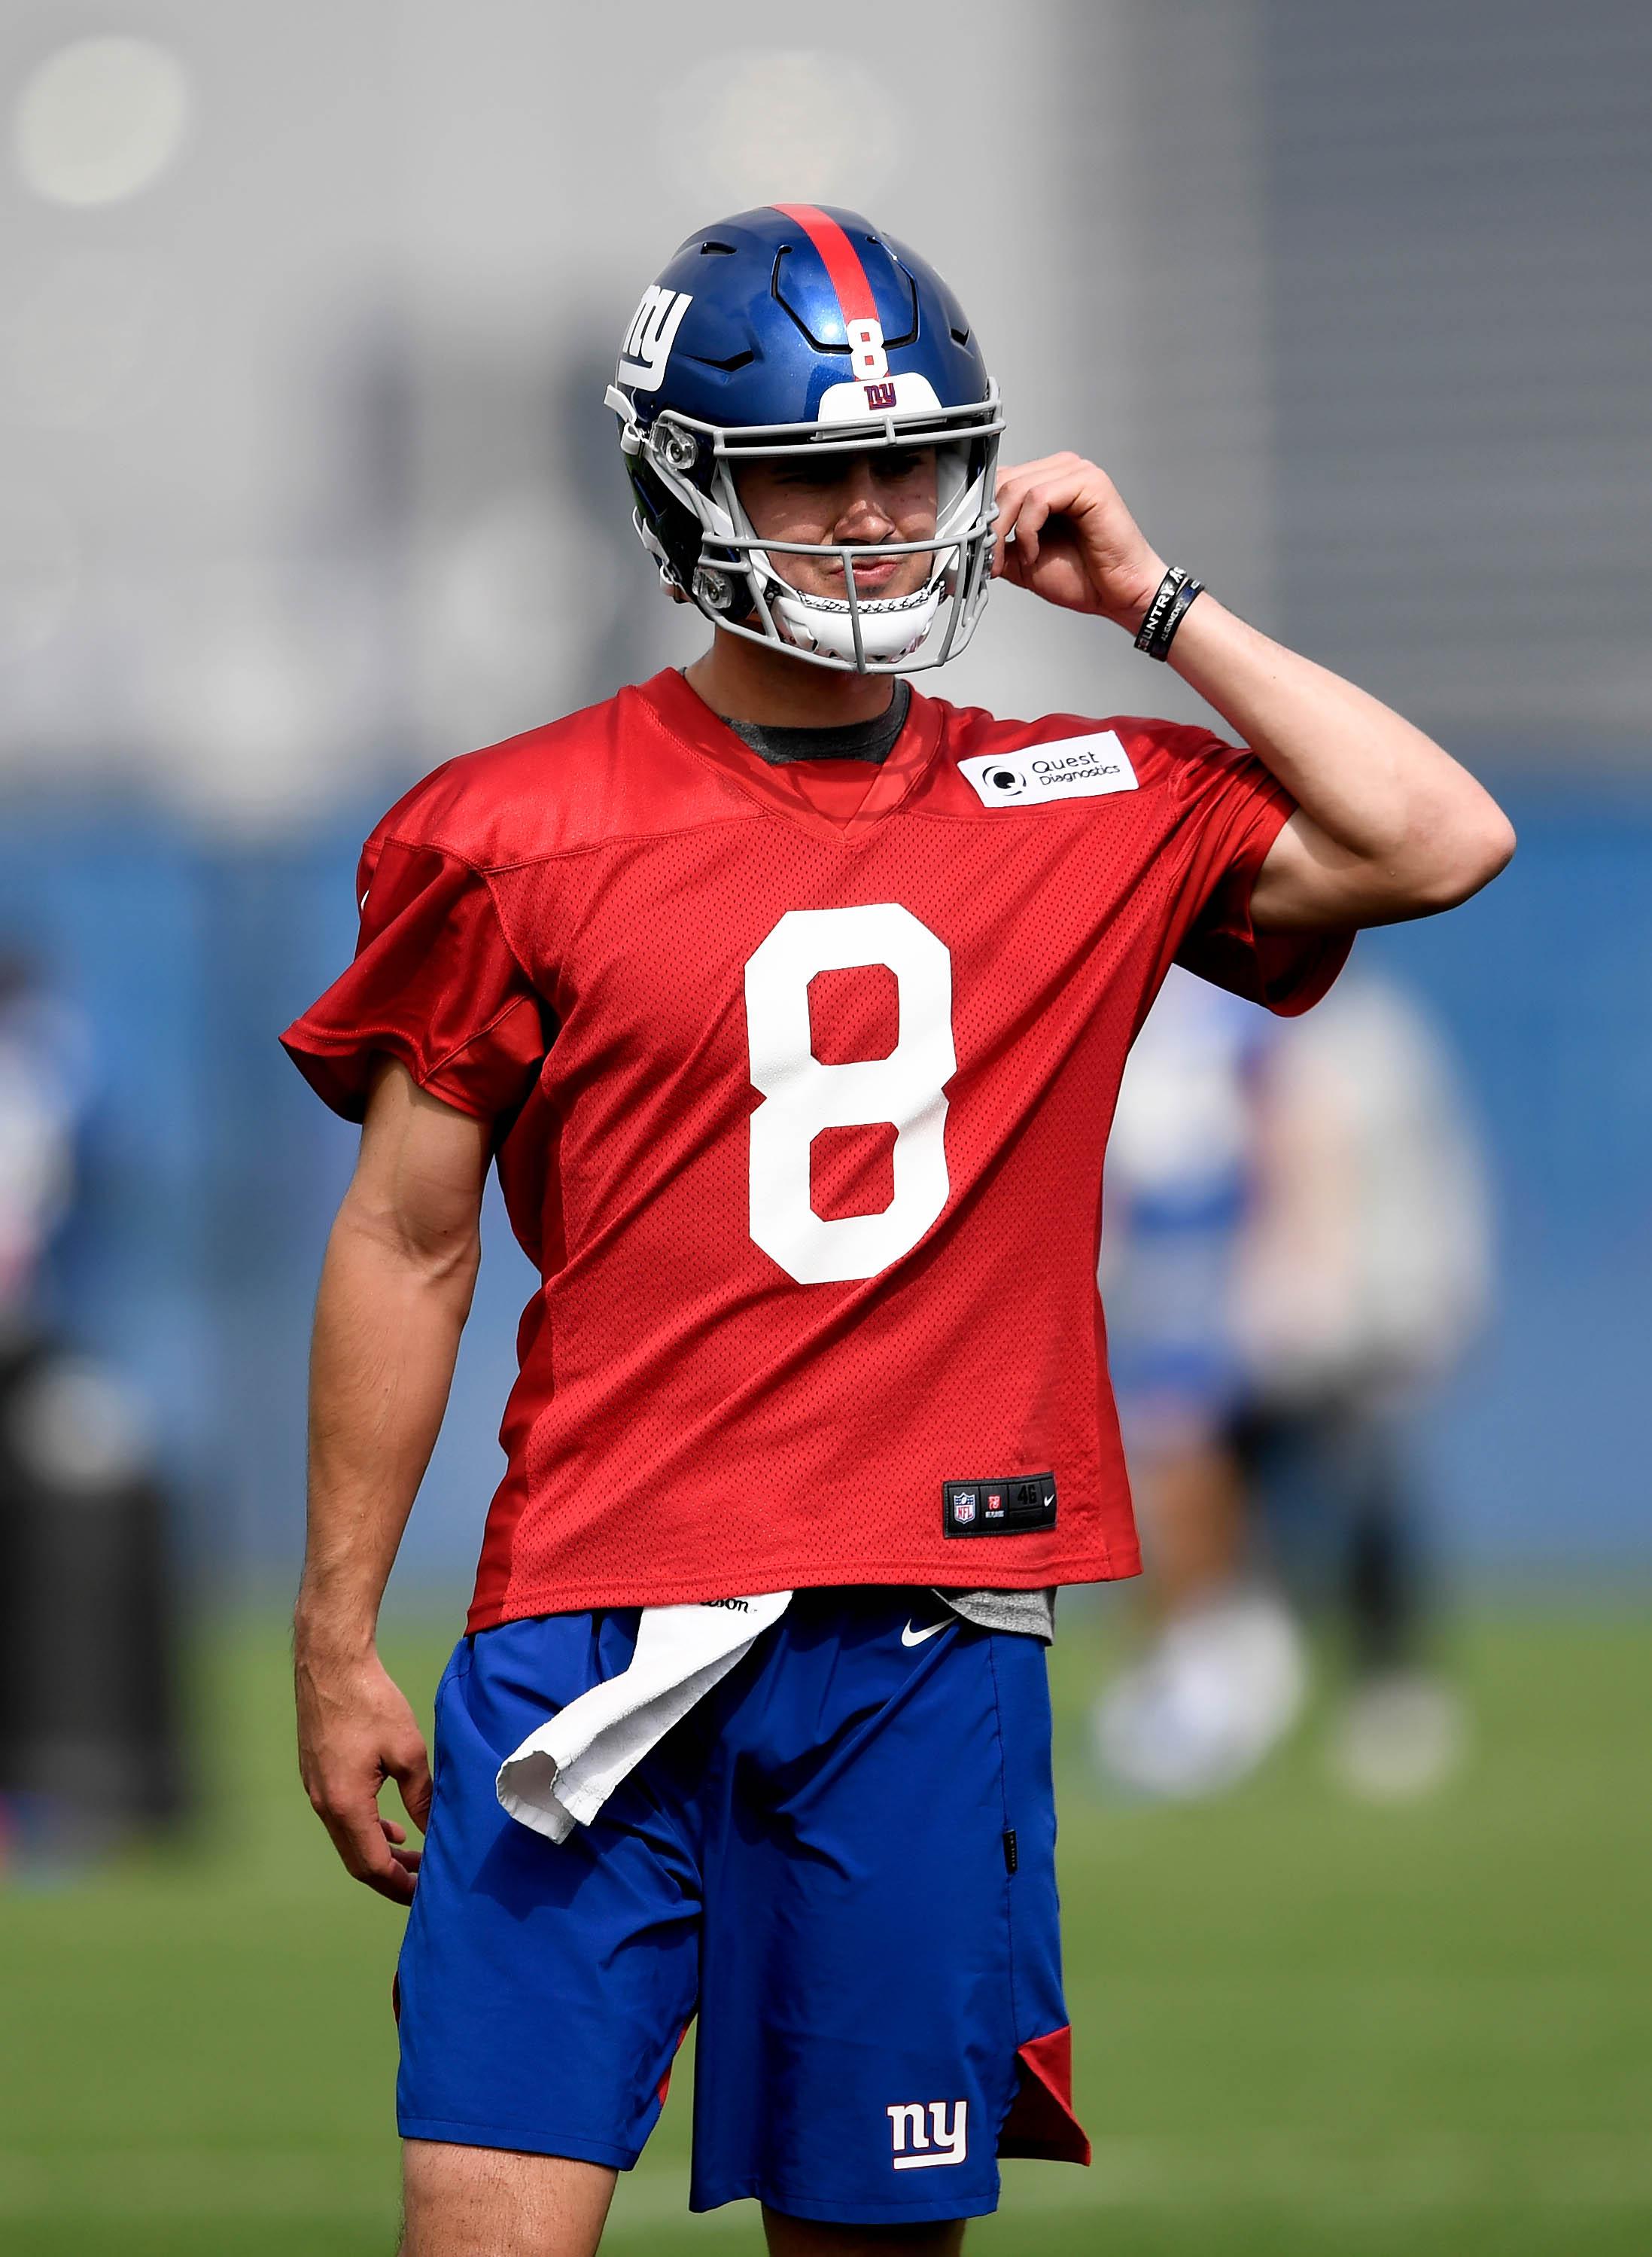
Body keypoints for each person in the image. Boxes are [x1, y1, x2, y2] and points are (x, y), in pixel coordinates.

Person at [281, 204, 1514, 2256]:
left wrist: (1156, 601)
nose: (869, 517)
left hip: (918, 1645)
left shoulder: (1090, 793)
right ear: (682, 484)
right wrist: (333, 1633)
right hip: (584, 1619)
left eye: (910, 462)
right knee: (477, 2232)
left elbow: (1436, 836)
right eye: (805, 471)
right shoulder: (509, 825)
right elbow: (407, 1244)